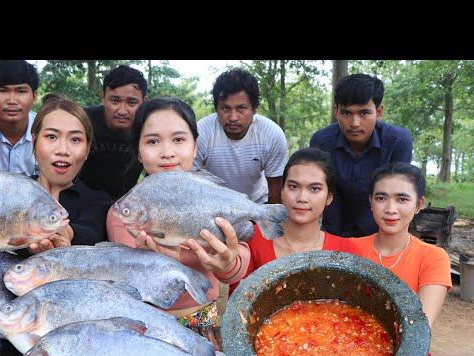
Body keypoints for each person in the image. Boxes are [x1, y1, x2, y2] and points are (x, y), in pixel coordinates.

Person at [107, 97, 249, 327]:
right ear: (139, 152)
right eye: (153, 141)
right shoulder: (124, 212)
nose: (167, 152)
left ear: (195, 146)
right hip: (146, 328)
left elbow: (236, 264)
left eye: (179, 140)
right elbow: (128, 280)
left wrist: (227, 264)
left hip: (204, 323)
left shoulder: (213, 197)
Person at [193, 147, 362, 294]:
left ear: (329, 197)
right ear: (281, 191)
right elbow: (239, 304)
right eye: (293, 187)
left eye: (314, 189)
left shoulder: (346, 251)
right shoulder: (252, 240)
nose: (302, 198)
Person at [353, 162, 451, 356]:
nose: (390, 209)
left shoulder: (433, 257)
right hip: (349, 345)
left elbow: (419, 326)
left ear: (419, 204)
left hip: (405, 353)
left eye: (402, 199)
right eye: (381, 198)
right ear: (371, 202)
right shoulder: (350, 248)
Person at [310, 73, 413, 237]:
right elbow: (327, 191)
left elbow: (396, 194)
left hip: (382, 228)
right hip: (334, 225)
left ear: (378, 112)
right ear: (336, 111)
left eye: (364, 113)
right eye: (346, 113)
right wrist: (335, 238)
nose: (354, 123)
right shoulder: (322, 141)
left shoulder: (397, 141)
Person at [27, 94, 112, 253]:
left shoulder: (99, 201)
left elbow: (91, 231)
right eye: (51, 137)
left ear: (87, 150)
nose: (62, 150)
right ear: (34, 142)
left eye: (75, 140)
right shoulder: (14, 192)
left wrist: (65, 233)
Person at [194, 68, 288, 205]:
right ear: (216, 108)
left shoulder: (272, 135)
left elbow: (275, 186)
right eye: (225, 108)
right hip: (213, 205)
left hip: (256, 203)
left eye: (241, 108)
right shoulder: (200, 133)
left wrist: (269, 220)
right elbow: (189, 181)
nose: (233, 117)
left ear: (254, 108)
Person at [77, 65, 148, 201]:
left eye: (131, 102)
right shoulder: (83, 121)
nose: (122, 110)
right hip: (78, 198)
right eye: (115, 101)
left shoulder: (150, 129)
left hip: (127, 204)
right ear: (103, 97)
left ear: (144, 102)